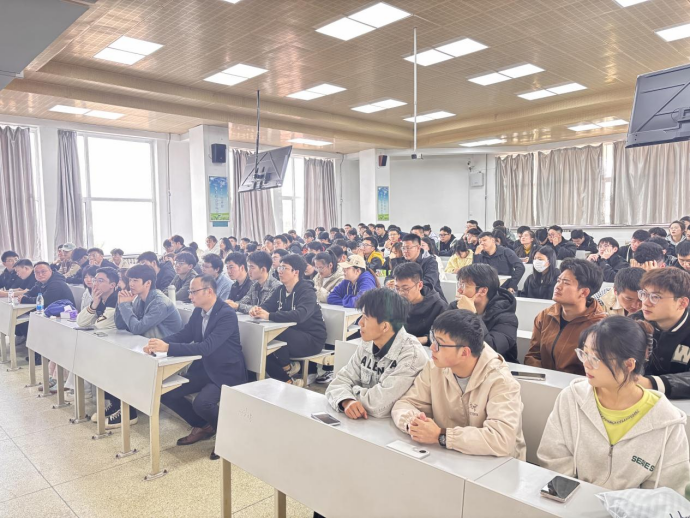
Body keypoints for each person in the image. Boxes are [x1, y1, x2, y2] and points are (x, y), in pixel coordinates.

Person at [537, 316, 690, 493]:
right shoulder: (571, 398)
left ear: (629, 364)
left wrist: (618, 504)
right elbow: (553, 458)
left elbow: (670, 487)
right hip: (571, 502)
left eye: (595, 358)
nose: (585, 363)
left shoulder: (666, 421)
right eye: (584, 353)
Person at [392, 310, 526, 459]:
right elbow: (405, 403)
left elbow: (501, 439)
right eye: (433, 339)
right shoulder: (433, 368)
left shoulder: (501, 381)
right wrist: (413, 422)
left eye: (439, 343)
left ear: (464, 353)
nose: (432, 347)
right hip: (452, 457)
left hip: (498, 463)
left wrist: (442, 435)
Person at [147, 275, 247, 459]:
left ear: (209, 291)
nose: (190, 296)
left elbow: (206, 347)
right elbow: (185, 335)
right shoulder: (199, 311)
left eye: (194, 292)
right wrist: (157, 343)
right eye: (190, 291)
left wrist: (167, 348)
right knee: (167, 392)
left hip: (226, 371)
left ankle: (228, 436)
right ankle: (204, 426)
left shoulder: (226, 314)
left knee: (203, 403)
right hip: (204, 368)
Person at [326, 288, 428, 419]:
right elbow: (338, 382)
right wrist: (346, 400)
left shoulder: (411, 355)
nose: (360, 323)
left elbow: (378, 406)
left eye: (366, 318)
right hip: (366, 424)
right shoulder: (368, 343)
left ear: (385, 326)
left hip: (396, 427)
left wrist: (352, 391)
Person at [249, 255, 327, 386]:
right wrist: (257, 310)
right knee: (259, 349)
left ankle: (288, 367)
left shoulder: (307, 292)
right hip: (290, 335)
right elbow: (268, 306)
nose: (279, 271)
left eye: (284, 268)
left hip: (312, 339)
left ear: (295, 272)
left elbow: (300, 315)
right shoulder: (280, 290)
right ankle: (288, 380)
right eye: (279, 267)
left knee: (275, 335)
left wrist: (269, 316)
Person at [525, 259, 606, 375]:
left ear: (584, 292)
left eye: (566, 283)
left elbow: (596, 370)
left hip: (575, 384)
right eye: (558, 281)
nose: (558, 286)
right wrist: (541, 377)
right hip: (542, 381)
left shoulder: (599, 326)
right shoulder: (545, 316)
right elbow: (533, 354)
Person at [630, 268, 690, 399]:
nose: (645, 302)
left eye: (655, 297)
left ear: (682, 303)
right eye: (644, 294)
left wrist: (651, 383)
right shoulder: (635, 322)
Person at [450, 264, 519, 363]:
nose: (459, 290)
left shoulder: (507, 318)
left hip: (495, 367)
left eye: (464, 285)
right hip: (461, 363)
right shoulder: (455, 307)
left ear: (483, 291)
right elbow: (439, 335)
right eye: (459, 284)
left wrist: (471, 315)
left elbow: (491, 349)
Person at [394, 263, 446, 346]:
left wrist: (424, 339)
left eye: (405, 289)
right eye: (397, 288)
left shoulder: (439, 306)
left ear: (420, 285)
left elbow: (445, 336)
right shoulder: (395, 303)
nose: (400, 293)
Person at [393, 234, 447, 302]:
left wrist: (410, 286)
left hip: (430, 299)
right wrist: (389, 282)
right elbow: (391, 276)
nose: (405, 251)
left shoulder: (430, 261)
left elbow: (429, 283)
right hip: (407, 298)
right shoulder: (402, 261)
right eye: (403, 248)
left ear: (418, 247)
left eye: (408, 248)